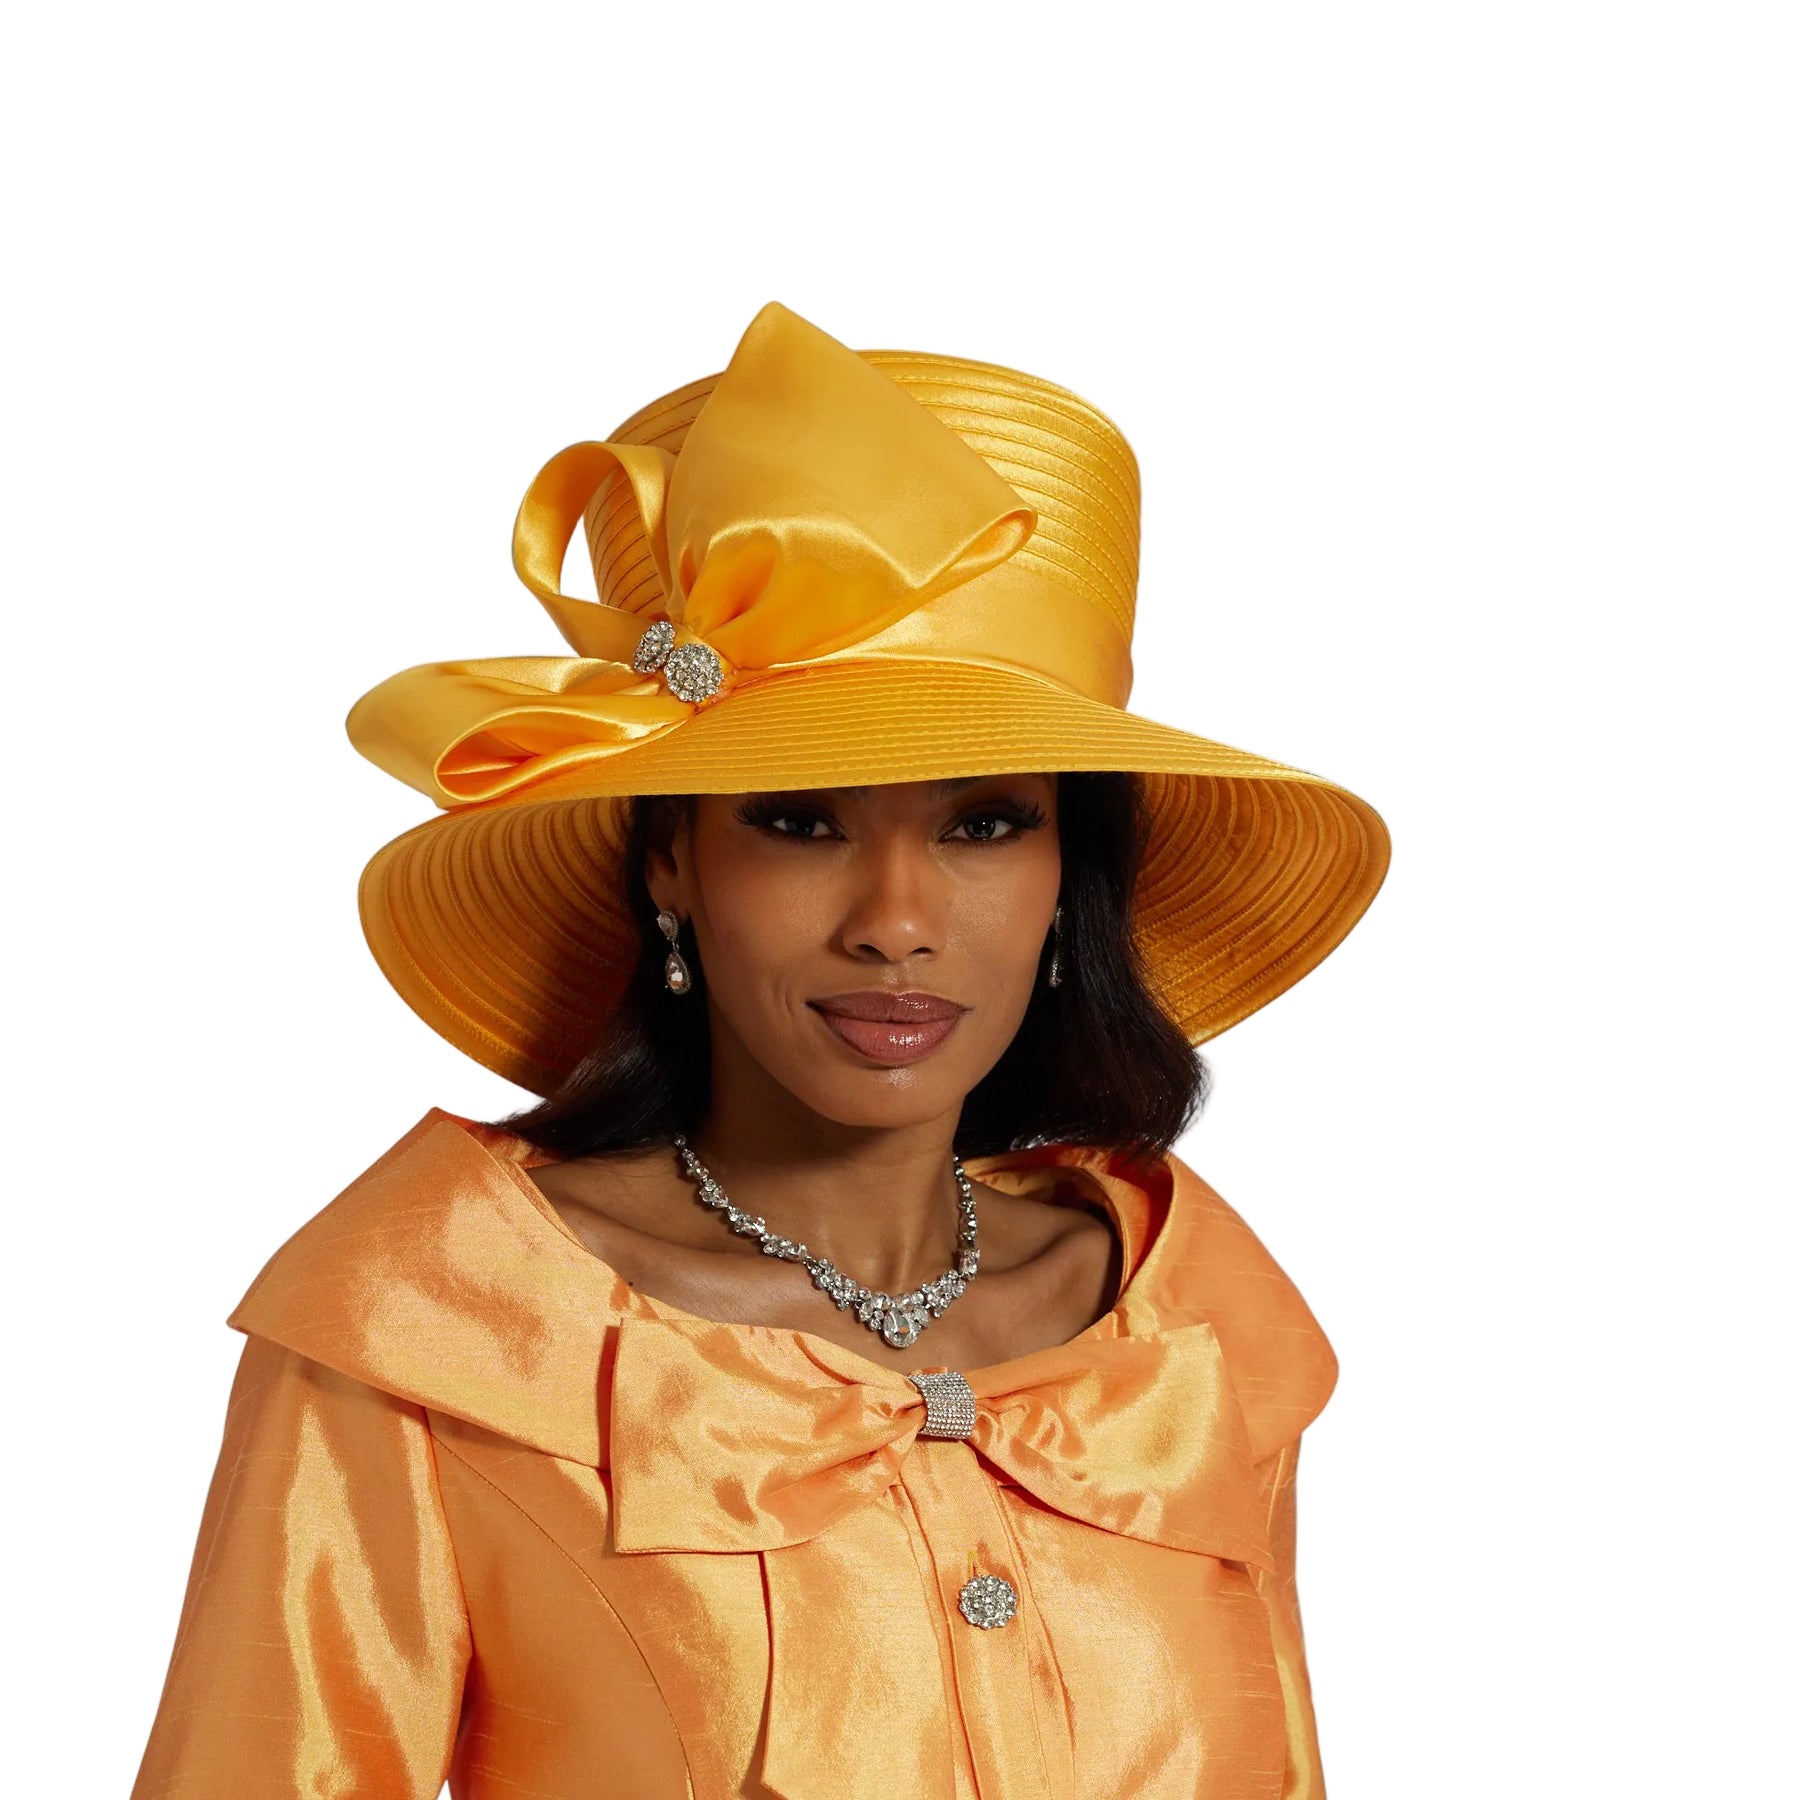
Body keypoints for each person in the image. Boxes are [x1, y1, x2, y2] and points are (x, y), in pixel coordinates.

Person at [132, 302, 1389, 1799]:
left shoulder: (1184, 1321)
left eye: (986, 823)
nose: (896, 924)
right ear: (670, 861)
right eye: (800, 821)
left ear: (1072, 876)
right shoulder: (439, 1332)